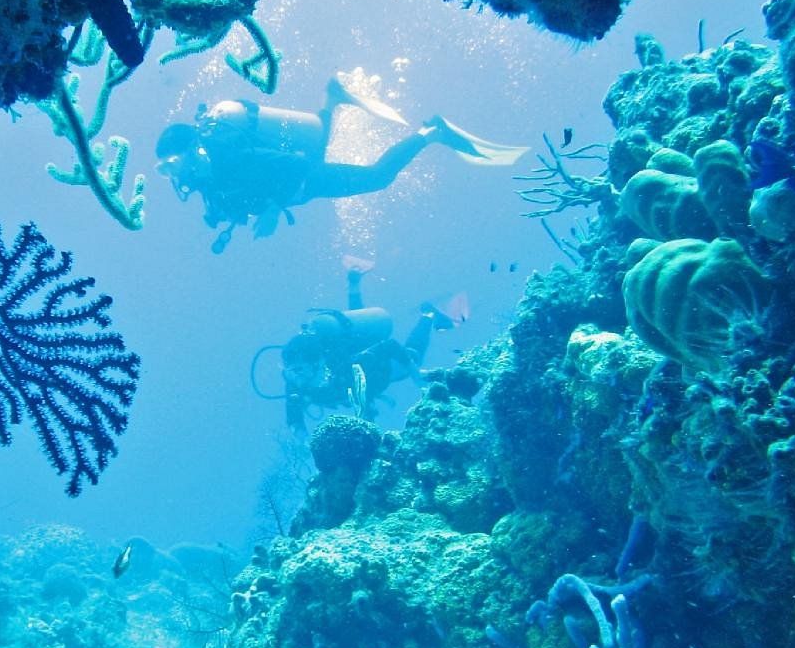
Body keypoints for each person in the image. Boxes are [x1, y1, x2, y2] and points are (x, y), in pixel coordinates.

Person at [156, 74, 527, 251]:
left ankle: (432, 132)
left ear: (192, 148)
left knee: (378, 177)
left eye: (172, 162)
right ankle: (331, 99)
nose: (173, 174)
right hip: (300, 187)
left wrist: (270, 208)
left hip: (306, 181)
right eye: (165, 170)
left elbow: (296, 165)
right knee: (318, 139)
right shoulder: (205, 180)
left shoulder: (232, 155)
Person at [254, 260, 464, 430]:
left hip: (383, 368)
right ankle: (354, 282)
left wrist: (416, 376)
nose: (294, 378)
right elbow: (294, 417)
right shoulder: (296, 383)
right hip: (360, 357)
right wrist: (299, 435)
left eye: (298, 370)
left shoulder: (346, 364)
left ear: (317, 362)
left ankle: (427, 315)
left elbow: (389, 345)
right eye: (289, 373)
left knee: (412, 355)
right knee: (354, 333)